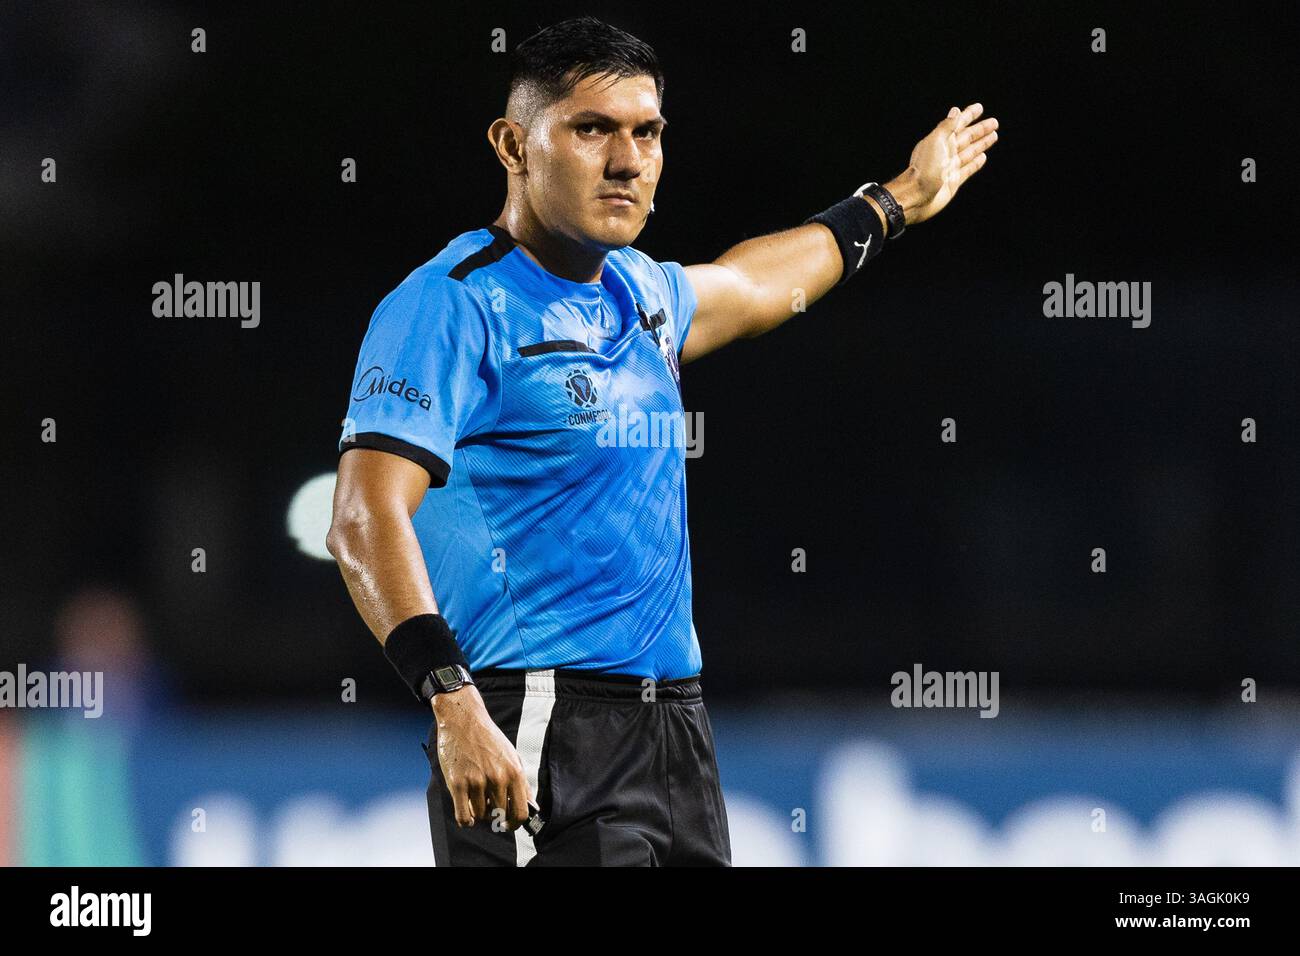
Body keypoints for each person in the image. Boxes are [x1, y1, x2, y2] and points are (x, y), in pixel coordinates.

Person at [327, 15, 998, 866]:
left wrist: (895, 200)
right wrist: (452, 703)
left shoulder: (641, 295)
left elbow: (757, 283)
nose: (627, 159)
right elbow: (362, 517)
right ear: (512, 144)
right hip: (538, 724)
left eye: (647, 133)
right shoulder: (451, 304)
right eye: (591, 129)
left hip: (675, 730)